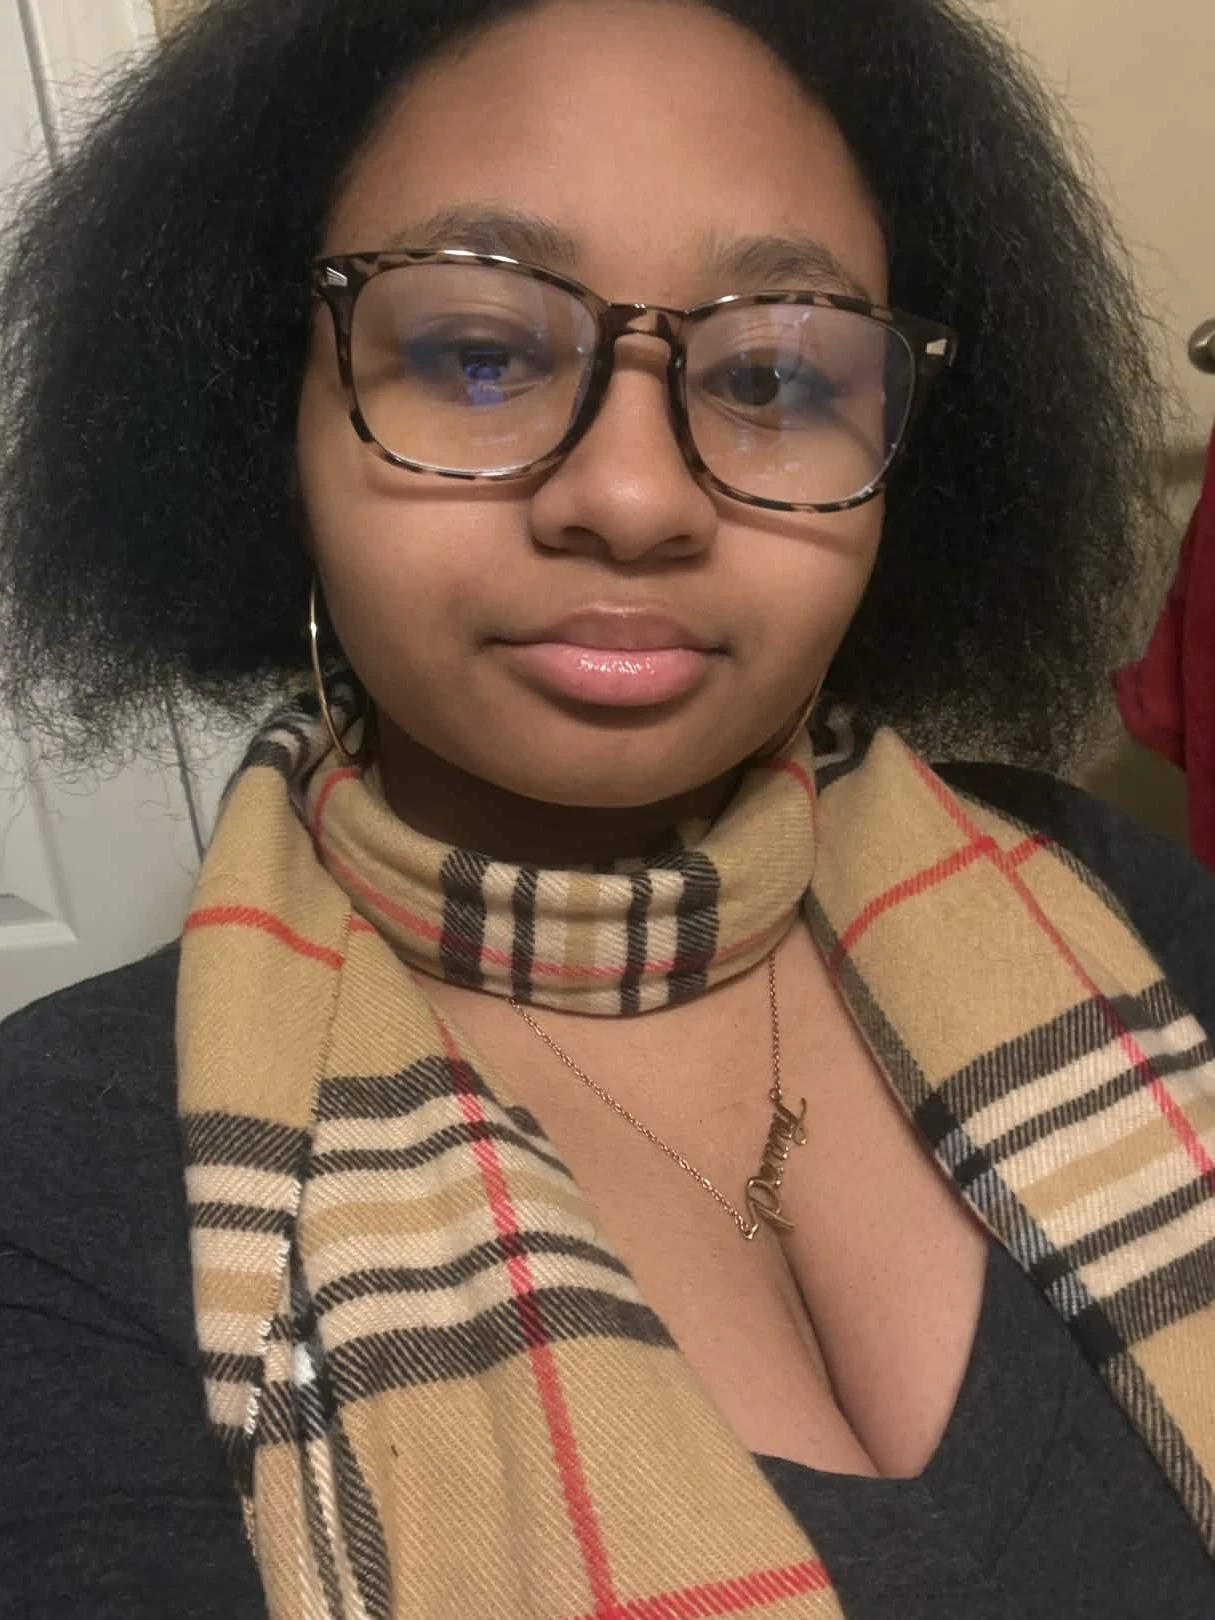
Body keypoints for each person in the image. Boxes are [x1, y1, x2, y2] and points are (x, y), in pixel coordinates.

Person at [1, 0, 1213, 1615]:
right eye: (478, 354)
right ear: (260, 413)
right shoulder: (57, 1191)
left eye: (772, 373)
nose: (634, 499)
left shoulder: (1118, 901)